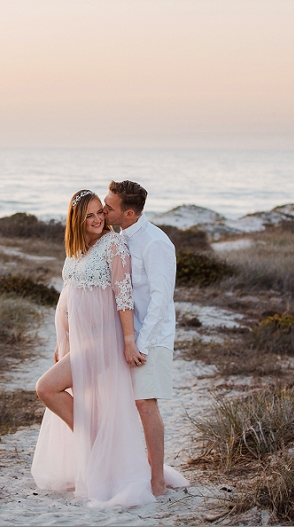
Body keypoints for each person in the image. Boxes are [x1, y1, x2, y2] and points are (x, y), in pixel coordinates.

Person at [30, 189, 186, 508]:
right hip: (82, 343)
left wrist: (130, 341)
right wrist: (63, 342)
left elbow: (124, 296)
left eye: (101, 212)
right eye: (90, 215)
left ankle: (100, 446)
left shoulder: (112, 243)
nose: (99, 218)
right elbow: (68, 298)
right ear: (76, 220)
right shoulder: (75, 250)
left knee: (46, 388)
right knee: (70, 395)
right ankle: (102, 448)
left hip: (104, 342)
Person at [102, 180, 177, 497]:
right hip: (127, 336)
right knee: (125, 403)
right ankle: (135, 470)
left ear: (129, 213)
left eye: (109, 207)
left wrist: (141, 344)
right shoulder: (117, 238)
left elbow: (161, 299)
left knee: (146, 404)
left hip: (152, 337)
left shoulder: (155, 242)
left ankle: (157, 480)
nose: (103, 211)